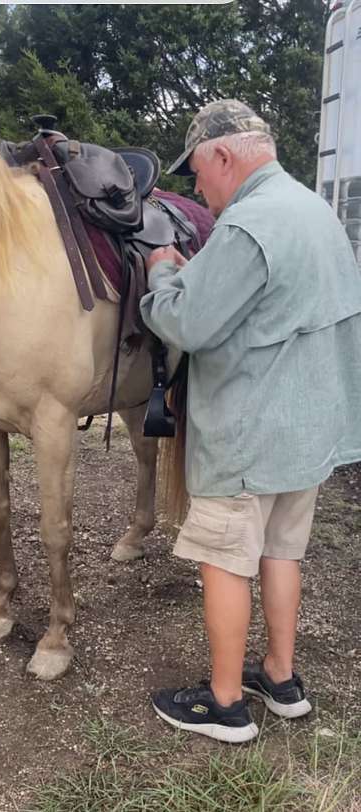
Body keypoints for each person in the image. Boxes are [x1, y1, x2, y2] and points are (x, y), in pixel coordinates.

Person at [140, 100, 361, 743]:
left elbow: (187, 324)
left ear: (224, 155)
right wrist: (201, 279)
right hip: (307, 429)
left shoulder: (247, 224)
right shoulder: (313, 211)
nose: (198, 189)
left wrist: (160, 273)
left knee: (225, 561)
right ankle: (281, 678)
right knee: (281, 551)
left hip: (249, 433)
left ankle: (226, 702)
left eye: (198, 174)